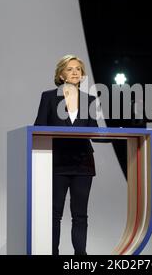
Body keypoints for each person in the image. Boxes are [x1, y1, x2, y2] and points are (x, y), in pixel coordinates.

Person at [34, 54, 98, 255]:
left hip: (83, 163)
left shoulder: (90, 99)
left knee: (80, 215)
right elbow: (39, 128)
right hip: (57, 163)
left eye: (78, 69)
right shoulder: (48, 97)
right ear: (61, 75)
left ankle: (80, 258)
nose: (75, 72)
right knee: (54, 215)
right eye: (70, 69)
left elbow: (94, 131)